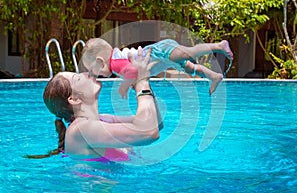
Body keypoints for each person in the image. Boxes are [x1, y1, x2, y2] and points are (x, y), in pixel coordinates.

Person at [26, 48, 163, 162]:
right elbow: (149, 133)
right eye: (78, 78)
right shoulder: (80, 129)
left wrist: (143, 85)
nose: (86, 73)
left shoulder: (102, 120)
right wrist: (142, 83)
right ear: (74, 99)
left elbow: (156, 124)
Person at [81, 38, 233, 98]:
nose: (97, 75)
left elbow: (134, 72)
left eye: (95, 71)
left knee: (189, 53)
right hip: (163, 59)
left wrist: (124, 87)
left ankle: (218, 45)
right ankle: (214, 76)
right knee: (190, 68)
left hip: (160, 51)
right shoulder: (116, 60)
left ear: (100, 62)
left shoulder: (114, 63)